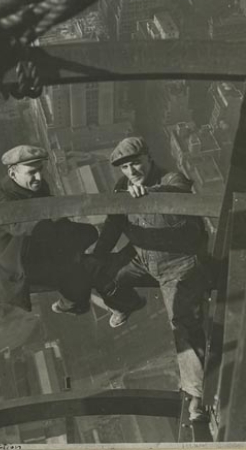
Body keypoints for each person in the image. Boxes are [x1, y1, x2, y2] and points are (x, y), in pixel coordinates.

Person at [94, 137, 209, 421]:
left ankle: (196, 395)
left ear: (149, 158)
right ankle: (126, 304)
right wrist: (96, 257)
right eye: (125, 167)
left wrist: (150, 193)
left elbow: (179, 191)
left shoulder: (171, 178)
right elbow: (113, 225)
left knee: (181, 322)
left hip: (177, 264)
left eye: (136, 163)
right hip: (142, 257)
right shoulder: (122, 188)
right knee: (98, 275)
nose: (131, 171)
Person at [0, 144, 145, 321]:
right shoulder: (4, 201)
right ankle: (83, 302)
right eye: (32, 172)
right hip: (22, 261)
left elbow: (53, 215)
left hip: (43, 243)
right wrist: (69, 243)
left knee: (89, 235)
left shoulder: (34, 185)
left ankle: (101, 302)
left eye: (40, 170)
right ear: (12, 174)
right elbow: (33, 228)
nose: (38, 177)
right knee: (85, 265)